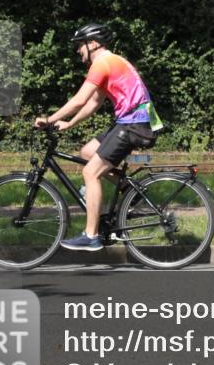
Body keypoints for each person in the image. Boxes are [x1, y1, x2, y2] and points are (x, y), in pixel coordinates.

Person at [34, 23, 163, 251]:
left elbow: (79, 100)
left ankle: (90, 235)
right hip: (132, 122)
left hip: (133, 124)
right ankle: (130, 191)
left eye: (80, 45)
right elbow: (94, 102)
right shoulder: (111, 62)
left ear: (93, 43)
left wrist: (50, 119)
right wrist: (70, 123)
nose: (78, 51)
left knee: (90, 172)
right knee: (86, 152)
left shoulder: (102, 63)